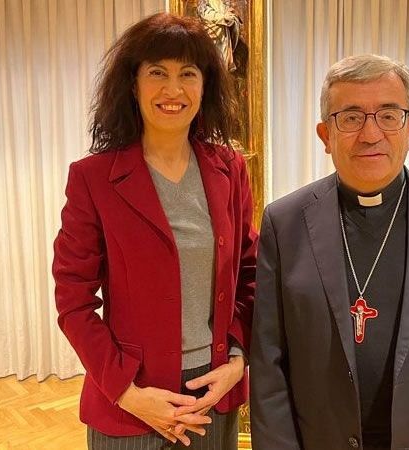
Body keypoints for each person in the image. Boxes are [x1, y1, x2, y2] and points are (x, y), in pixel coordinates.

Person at [249, 54, 409, 449]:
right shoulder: (284, 224)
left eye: (389, 116)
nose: (371, 134)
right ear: (325, 135)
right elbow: (269, 368)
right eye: (351, 117)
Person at [52, 13, 257, 450]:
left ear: (204, 87)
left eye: (187, 74)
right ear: (133, 84)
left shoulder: (230, 170)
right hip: (131, 399)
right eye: (157, 73)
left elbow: (249, 274)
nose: (172, 89)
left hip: (211, 394)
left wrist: (238, 359)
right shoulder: (93, 178)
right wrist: (128, 392)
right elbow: (73, 301)